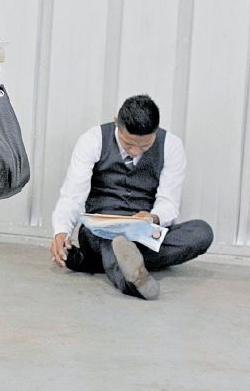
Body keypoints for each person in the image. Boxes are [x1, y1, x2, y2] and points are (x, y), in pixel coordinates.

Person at [50, 94, 213, 300]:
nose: (136, 152)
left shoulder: (171, 145)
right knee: (111, 240)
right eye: (128, 145)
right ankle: (135, 283)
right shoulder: (93, 139)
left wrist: (152, 218)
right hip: (100, 232)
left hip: (144, 231)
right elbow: (72, 196)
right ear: (117, 122)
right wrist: (61, 231)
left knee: (201, 232)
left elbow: (169, 203)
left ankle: (93, 263)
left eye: (144, 146)